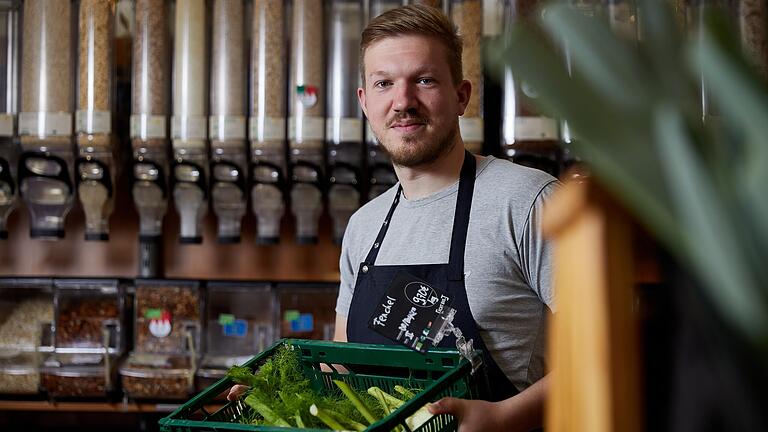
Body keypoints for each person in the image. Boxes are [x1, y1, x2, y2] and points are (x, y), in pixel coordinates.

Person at [231, 5, 557, 431]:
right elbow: (344, 370)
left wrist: (501, 418)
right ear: (365, 102)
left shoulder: (527, 201)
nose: (403, 102)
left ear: (461, 95)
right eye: (384, 83)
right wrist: (272, 398)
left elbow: (612, 349)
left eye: (424, 80)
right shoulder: (364, 227)